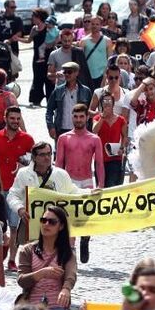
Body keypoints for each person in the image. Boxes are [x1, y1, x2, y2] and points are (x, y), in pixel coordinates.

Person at [16, 204, 76, 310]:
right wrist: (41, 273)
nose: (46, 224)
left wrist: (66, 289)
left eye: (52, 222)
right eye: (43, 220)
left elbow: (71, 275)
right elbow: (21, 280)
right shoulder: (27, 250)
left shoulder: (67, 253)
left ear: (61, 226)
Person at [56, 103, 103, 265]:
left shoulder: (94, 139)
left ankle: (85, 238)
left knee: (85, 216)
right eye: (75, 117)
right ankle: (71, 248)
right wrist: (57, 185)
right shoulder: (64, 138)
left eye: (81, 116)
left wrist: (100, 185)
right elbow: (59, 164)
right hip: (69, 181)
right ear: (72, 117)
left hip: (87, 180)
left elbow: (98, 164)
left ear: (86, 118)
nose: (78, 120)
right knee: (68, 217)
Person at [46, 62, 93, 142]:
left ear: (76, 73)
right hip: (62, 130)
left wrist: (90, 130)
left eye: (69, 72)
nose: (67, 74)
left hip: (80, 130)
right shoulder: (58, 91)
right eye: (65, 72)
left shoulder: (86, 91)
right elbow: (49, 110)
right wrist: (51, 126)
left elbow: (90, 112)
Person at [93, 93, 129, 188]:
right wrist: (102, 117)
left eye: (109, 101)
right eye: (104, 101)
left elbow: (125, 136)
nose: (107, 103)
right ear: (101, 104)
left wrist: (122, 147)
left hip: (115, 157)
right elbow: (94, 130)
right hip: (100, 158)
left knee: (112, 185)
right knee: (100, 186)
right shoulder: (97, 118)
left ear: (113, 104)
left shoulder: (121, 120)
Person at [27, 9, 54, 107]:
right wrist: (17, 39)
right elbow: (28, 41)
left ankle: (50, 100)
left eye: (34, 16)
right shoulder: (34, 29)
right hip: (37, 58)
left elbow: (56, 37)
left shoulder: (48, 28)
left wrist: (49, 45)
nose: (32, 18)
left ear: (39, 17)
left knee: (48, 78)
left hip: (48, 57)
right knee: (37, 78)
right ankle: (36, 99)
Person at [81, 15, 115, 90]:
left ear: (101, 26)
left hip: (103, 75)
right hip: (88, 75)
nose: (94, 26)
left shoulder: (107, 41)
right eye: (93, 24)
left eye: (97, 24)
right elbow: (81, 60)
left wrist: (106, 75)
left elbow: (110, 60)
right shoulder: (83, 41)